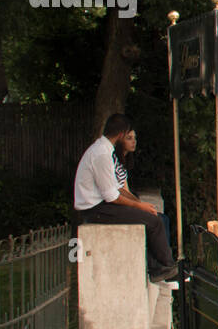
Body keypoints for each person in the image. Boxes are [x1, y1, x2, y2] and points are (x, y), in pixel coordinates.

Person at [75, 114, 176, 282]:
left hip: (101, 205)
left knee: (152, 218)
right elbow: (112, 196)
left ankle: (159, 267)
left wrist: (140, 204)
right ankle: (167, 266)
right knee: (155, 222)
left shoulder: (102, 149)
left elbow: (117, 189)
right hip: (96, 209)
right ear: (121, 134)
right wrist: (139, 207)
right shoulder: (101, 154)